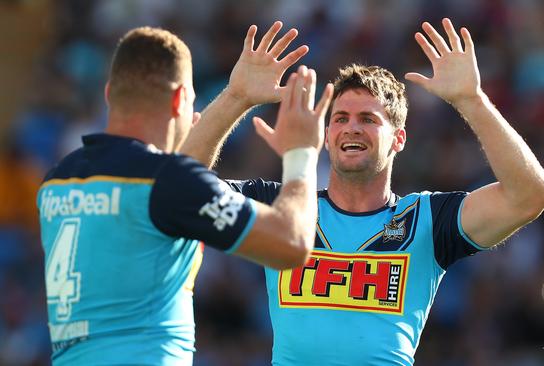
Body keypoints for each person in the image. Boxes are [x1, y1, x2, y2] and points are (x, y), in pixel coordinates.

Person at [192, 18, 544, 365]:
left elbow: (529, 196)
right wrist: (235, 97)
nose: (351, 128)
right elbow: (181, 191)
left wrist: (471, 100)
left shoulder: (426, 220)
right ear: (326, 136)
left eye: (367, 119)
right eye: (340, 118)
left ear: (399, 139)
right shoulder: (284, 205)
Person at [37, 23, 333, 365]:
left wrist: (236, 97)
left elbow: (174, 188)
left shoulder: (57, 180)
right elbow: (291, 244)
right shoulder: (162, 183)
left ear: (109, 93)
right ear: (180, 99)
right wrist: (302, 153)